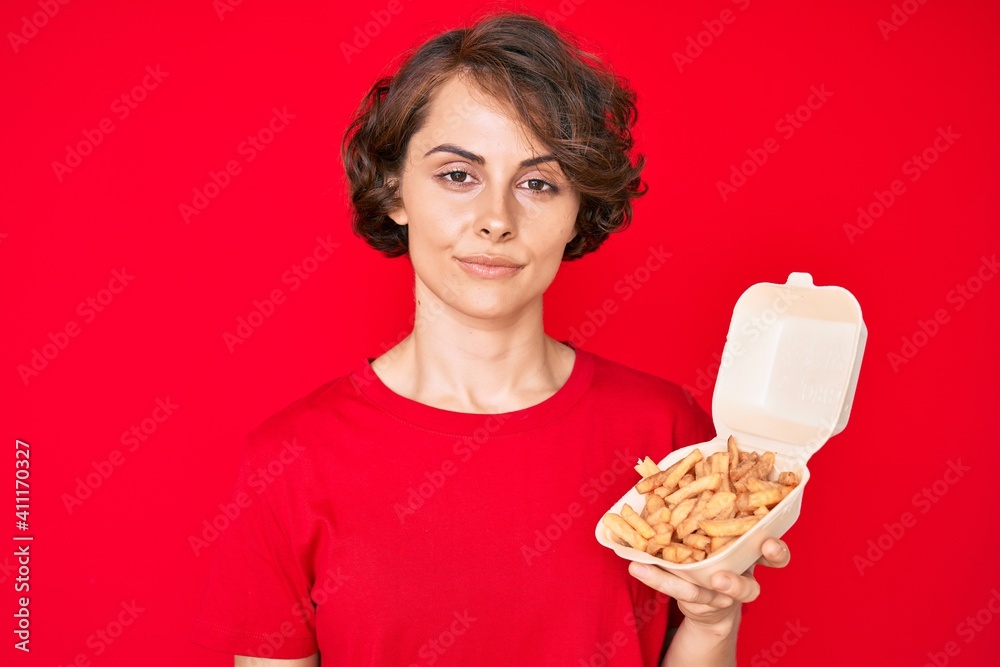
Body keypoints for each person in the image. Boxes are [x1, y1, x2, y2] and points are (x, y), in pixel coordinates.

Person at [190, 11, 790, 666]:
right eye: (457, 175)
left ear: (576, 209)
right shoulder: (289, 462)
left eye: (537, 182)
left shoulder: (665, 433)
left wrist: (713, 621)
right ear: (395, 191)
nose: (496, 219)